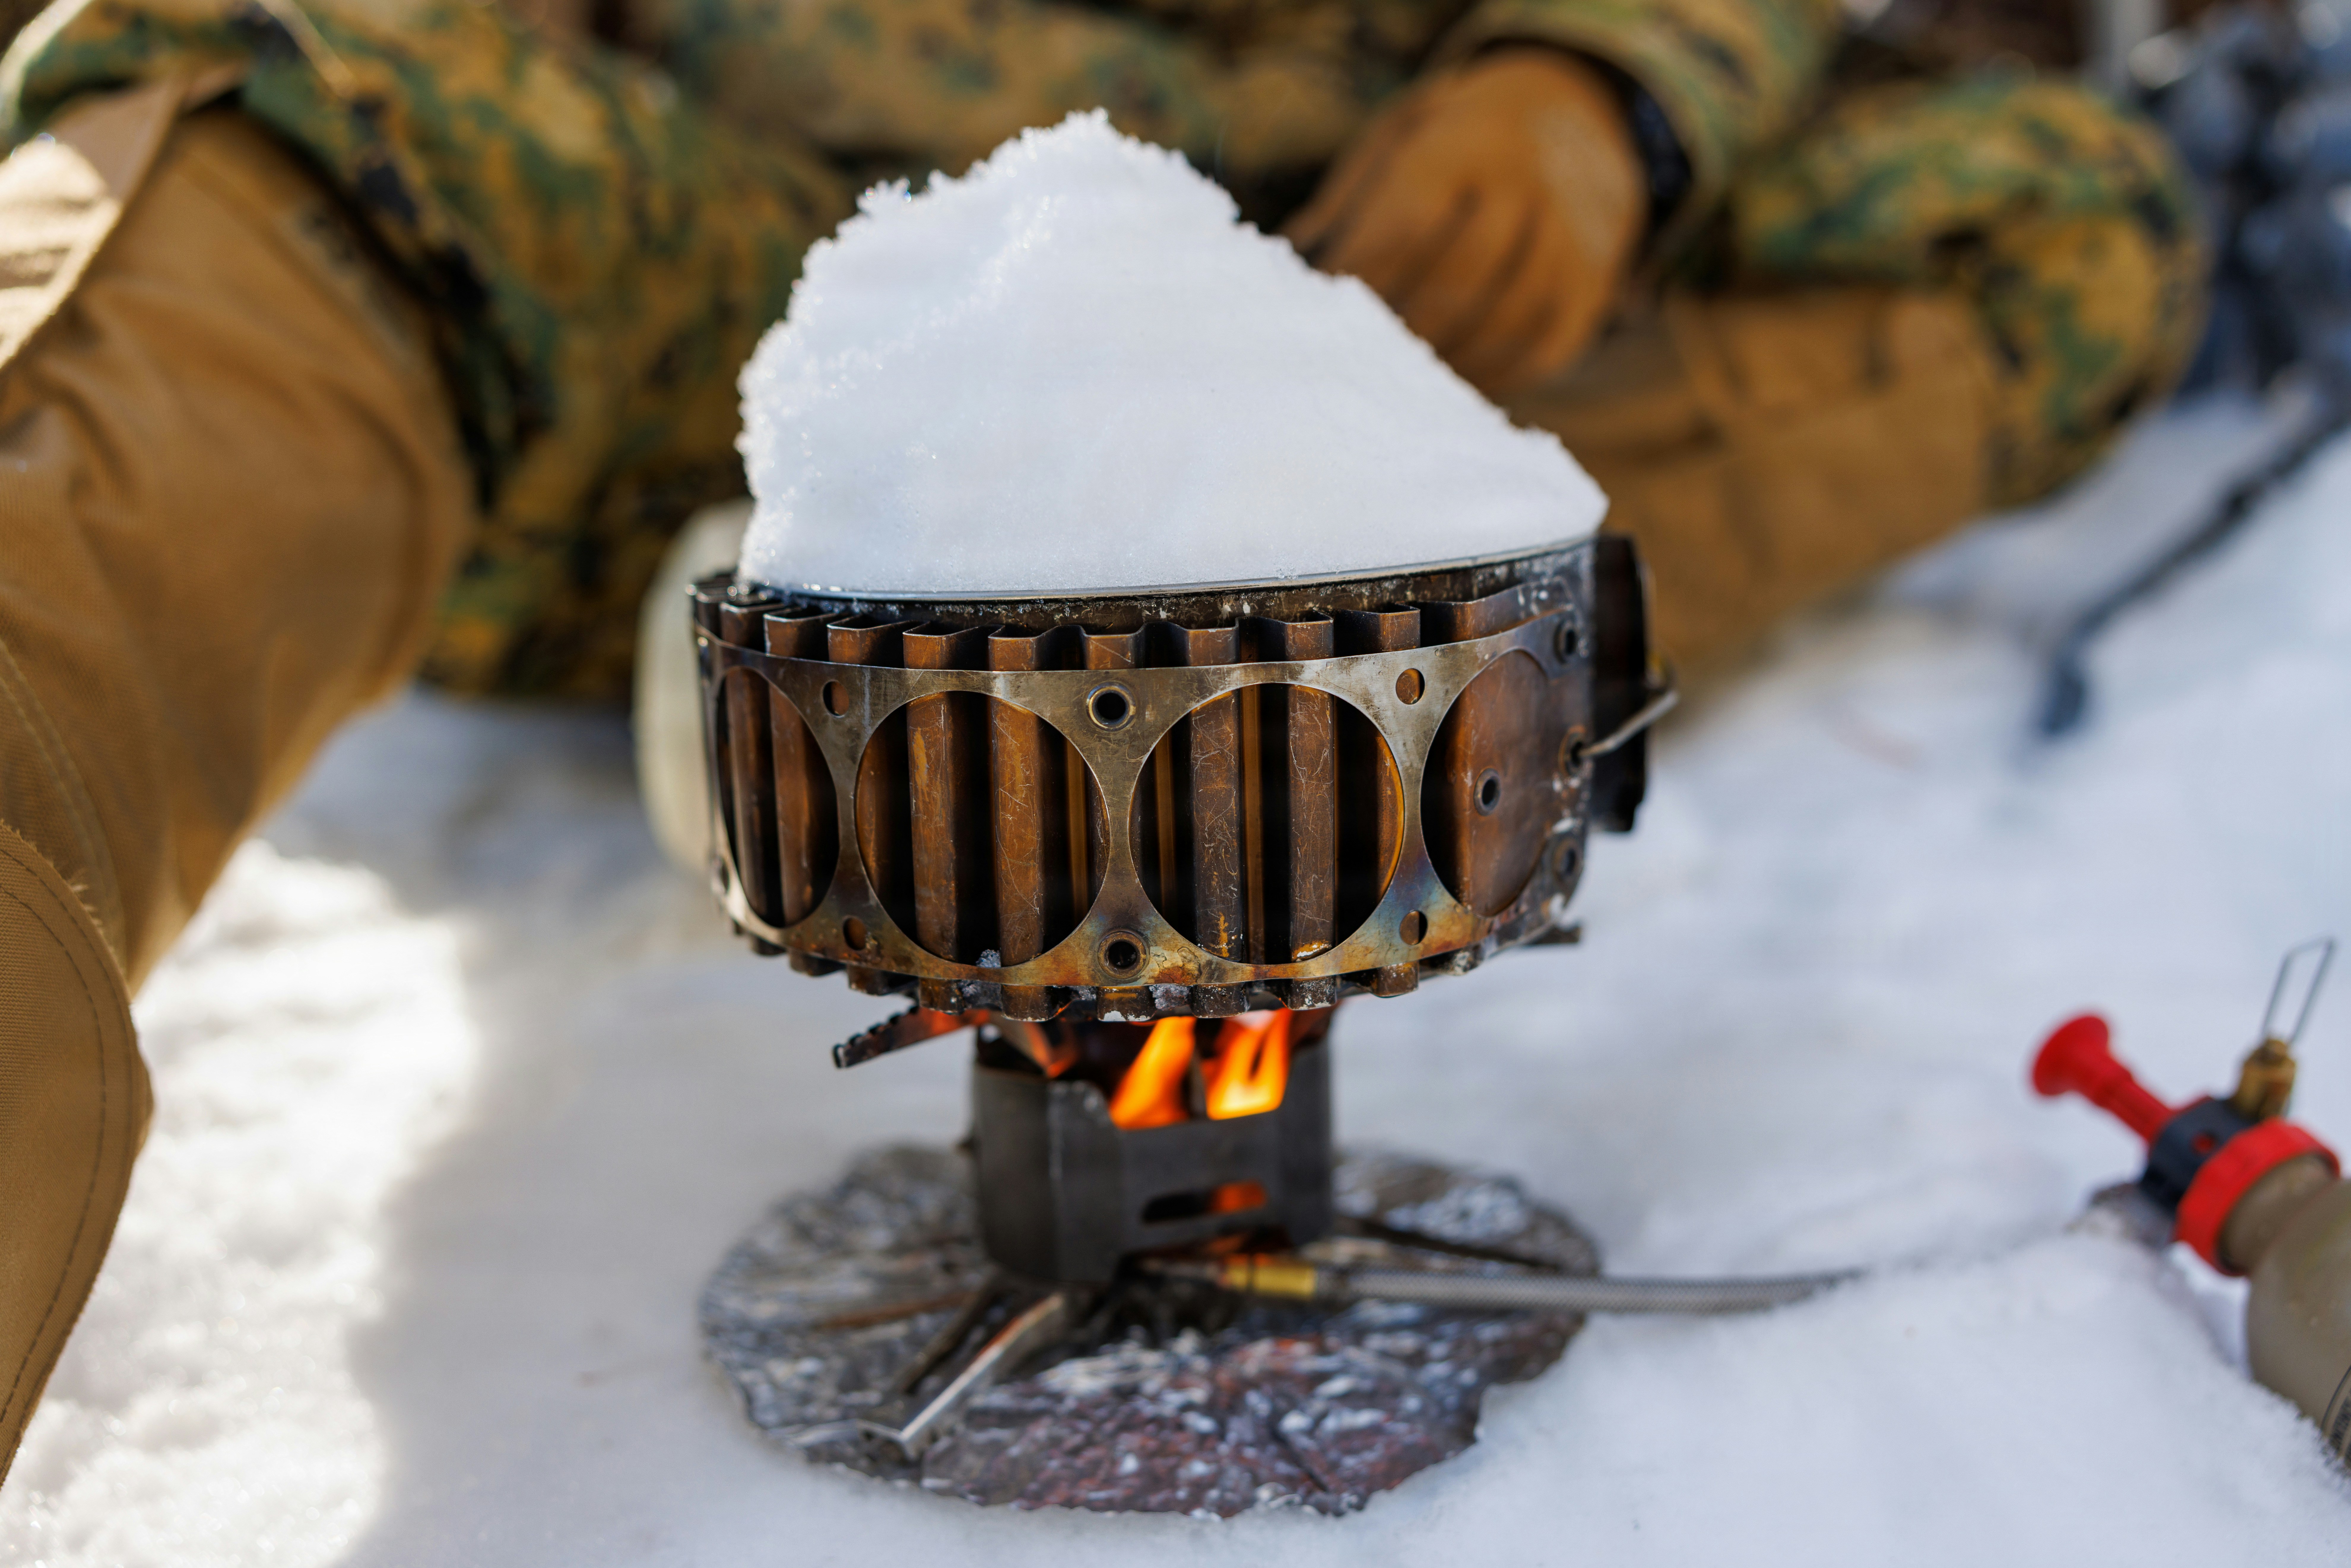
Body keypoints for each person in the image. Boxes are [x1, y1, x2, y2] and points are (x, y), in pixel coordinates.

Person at [0, 0, 2200, 1477]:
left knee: (2039, 208)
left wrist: (1603, 80)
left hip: (1347, 258)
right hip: (750, 240)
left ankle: (1287, 677)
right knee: (253, 66)